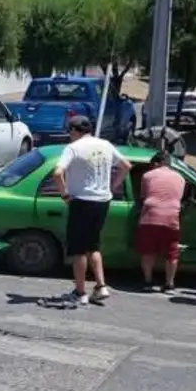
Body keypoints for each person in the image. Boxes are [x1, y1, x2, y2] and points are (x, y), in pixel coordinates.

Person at [52, 115, 132, 306]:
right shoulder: (105, 144)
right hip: (102, 201)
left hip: (82, 201)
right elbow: (126, 166)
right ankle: (101, 285)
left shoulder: (73, 148)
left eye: (70, 131)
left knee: (78, 250)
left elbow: (57, 173)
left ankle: (80, 292)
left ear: (74, 130)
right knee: (93, 245)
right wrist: (113, 186)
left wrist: (64, 195)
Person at [134, 151, 185, 293]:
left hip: (151, 217)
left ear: (157, 163)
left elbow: (143, 197)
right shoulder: (180, 177)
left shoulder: (148, 176)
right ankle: (170, 284)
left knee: (148, 252)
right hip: (172, 218)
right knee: (172, 253)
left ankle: (148, 282)